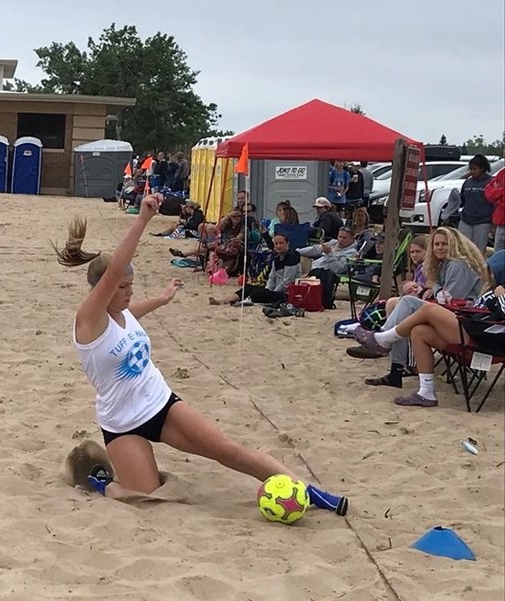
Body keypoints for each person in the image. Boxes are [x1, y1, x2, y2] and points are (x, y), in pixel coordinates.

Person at [53, 194, 348, 514]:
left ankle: (311, 491)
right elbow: (113, 274)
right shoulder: (88, 321)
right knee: (144, 496)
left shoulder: (123, 314)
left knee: (228, 450)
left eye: (131, 285)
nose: (130, 292)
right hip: (121, 423)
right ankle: (100, 481)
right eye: (123, 287)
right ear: (104, 290)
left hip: (160, 405)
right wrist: (142, 221)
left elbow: (135, 311)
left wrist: (163, 299)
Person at [354, 285, 505, 407]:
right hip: (476, 329)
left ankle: (384, 339)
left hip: (486, 341)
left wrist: (501, 295)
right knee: (420, 332)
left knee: (429, 310)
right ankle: (426, 392)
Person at [208, 232, 300, 306]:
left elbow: (287, 282)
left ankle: (247, 301)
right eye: (276, 243)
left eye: (281, 243)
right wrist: (268, 289)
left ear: (287, 244)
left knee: (258, 293)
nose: (278, 246)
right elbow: (272, 277)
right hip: (274, 289)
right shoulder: (276, 259)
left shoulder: (291, 259)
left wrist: (271, 292)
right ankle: (225, 300)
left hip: (286, 294)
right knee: (248, 287)